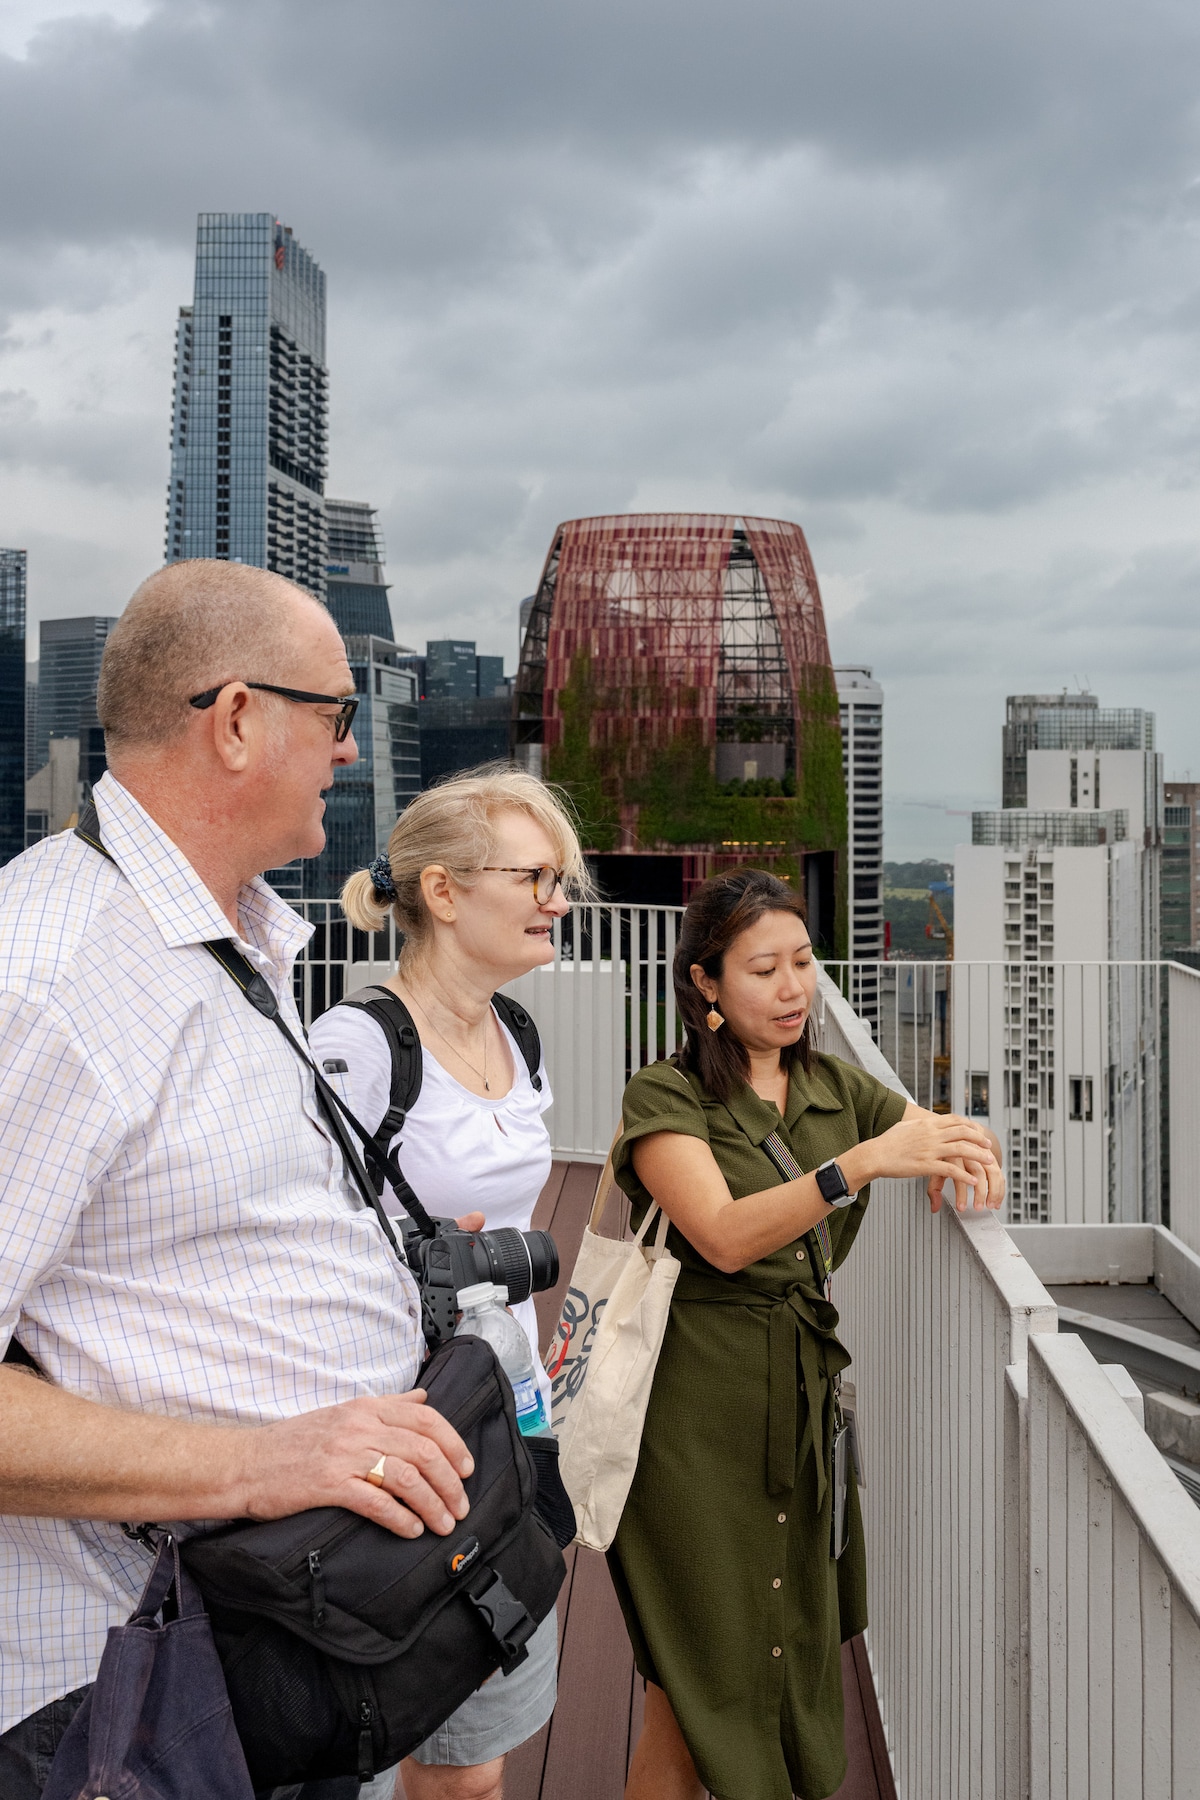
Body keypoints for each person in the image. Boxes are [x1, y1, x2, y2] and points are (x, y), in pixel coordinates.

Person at [0, 562, 478, 1800]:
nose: (351, 744)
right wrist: (264, 1462)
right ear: (235, 719)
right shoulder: (48, 978)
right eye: (334, 712)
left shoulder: (222, 936)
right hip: (127, 1705)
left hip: (269, 1650)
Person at [607, 869, 1005, 1800]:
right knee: (700, 1673)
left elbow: (937, 1134)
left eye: (804, 963)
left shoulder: (832, 1085)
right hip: (693, 1417)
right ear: (705, 983)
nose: (793, 990)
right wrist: (857, 1165)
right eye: (763, 969)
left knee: (768, 1655)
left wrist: (966, 1156)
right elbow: (724, 1233)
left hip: (798, 1404)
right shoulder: (666, 1097)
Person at [310, 765, 590, 1800]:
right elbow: (307, 1241)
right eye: (533, 877)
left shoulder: (517, 1036)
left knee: (476, 1765)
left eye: (558, 879)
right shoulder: (358, 1049)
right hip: (400, 1428)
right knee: (379, 1750)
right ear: (442, 892)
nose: (555, 901)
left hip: (506, 1418)